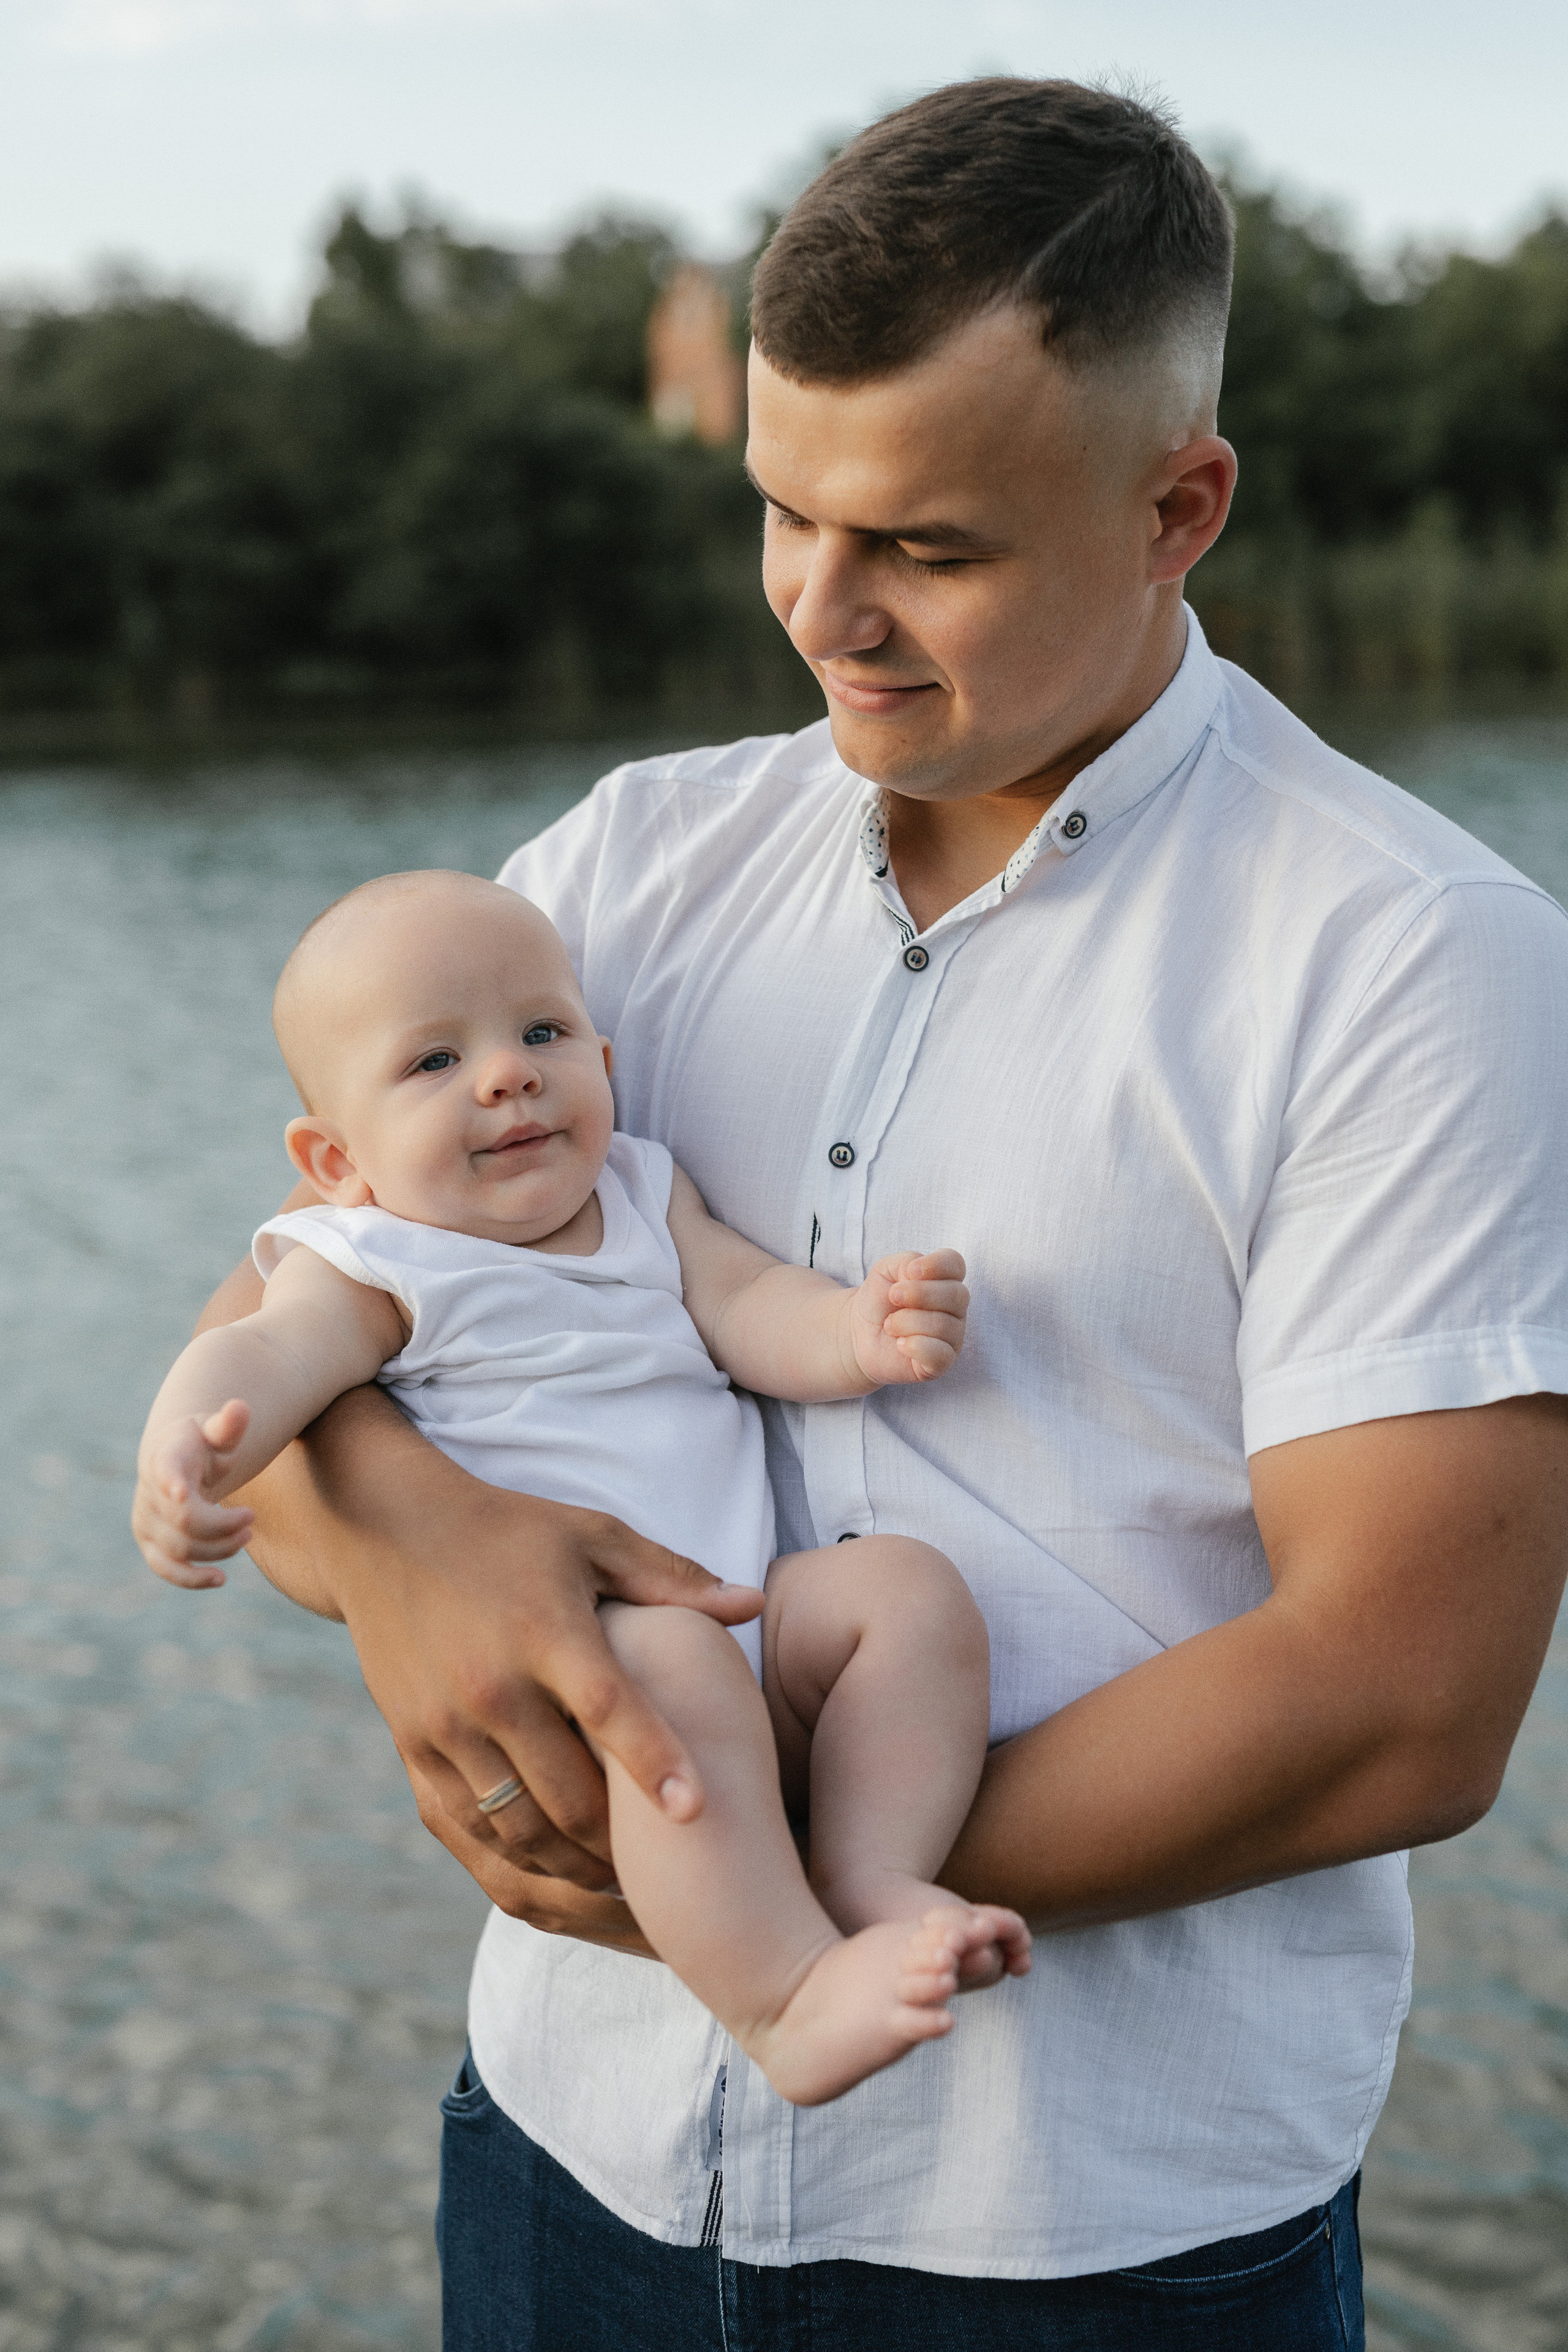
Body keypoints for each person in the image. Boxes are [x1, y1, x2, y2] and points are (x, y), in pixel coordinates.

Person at [133, 75, 1568, 2352]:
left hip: (1081, 2240)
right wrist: (427, 1560)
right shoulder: (619, 875)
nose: (824, 609)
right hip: (571, 2151)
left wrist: (738, 1863)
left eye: (929, 546)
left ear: (1178, 505)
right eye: (784, 512)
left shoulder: (1409, 955)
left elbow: (1400, 1704)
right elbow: (295, 1329)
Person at [132, 870, 1030, 2107]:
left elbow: (746, 1305)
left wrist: (855, 1332)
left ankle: (872, 1876)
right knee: (669, 1664)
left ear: (603, 1062)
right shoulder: (375, 1258)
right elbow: (266, 1354)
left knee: (904, 1594)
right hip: (583, 1655)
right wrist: (187, 1448)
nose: (508, 1075)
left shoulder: (642, 1197)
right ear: (334, 1158)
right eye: (435, 1061)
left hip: (743, 1612)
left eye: (544, 1034)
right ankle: (780, 2001)